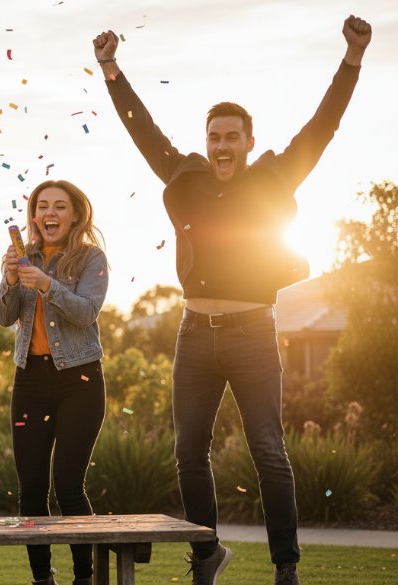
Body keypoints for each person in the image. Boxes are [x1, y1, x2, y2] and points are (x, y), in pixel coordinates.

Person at [93, 14, 372, 585]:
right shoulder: (186, 176)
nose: (221, 146)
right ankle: (207, 555)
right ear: (208, 144)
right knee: (188, 452)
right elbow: (141, 131)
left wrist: (352, 58)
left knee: (269, 452)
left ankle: (285, 567)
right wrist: (111, 70)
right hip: (194, 336)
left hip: (251, 335)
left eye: (231, 137)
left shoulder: (275, 177)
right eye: (213, 137)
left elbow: (323, 127)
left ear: (249, 142)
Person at [0, 181, 109, 585]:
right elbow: (4, 317)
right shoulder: (25, 256)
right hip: (30, 379)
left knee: (69, 486)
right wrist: (10, 280)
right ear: (34, 215)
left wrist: (46, 284)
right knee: (31, 489)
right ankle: (42, 578)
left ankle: (84, 577)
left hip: (79, 378)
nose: (50, 213)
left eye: (59, 206)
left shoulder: (91, 258)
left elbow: (86, 312)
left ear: (75, 214)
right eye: (42, 206)